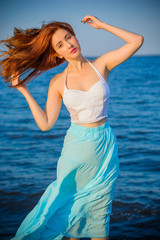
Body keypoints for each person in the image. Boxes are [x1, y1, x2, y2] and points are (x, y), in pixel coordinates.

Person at [0, 15, 143, 240]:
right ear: (57, 54)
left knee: (100, 218)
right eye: (60, 44)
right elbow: (46, 124)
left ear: (75, 36)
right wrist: (24, 91)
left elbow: (137, 41)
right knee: (69, 216)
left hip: (105, 149)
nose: (68, 44)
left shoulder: (102, 65)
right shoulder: (58, 82)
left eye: (68, 37)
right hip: (76, 151)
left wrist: (103, 25)